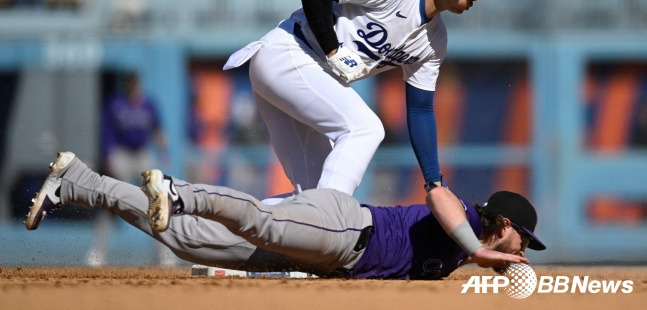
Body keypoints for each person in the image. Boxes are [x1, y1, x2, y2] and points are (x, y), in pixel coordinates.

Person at [223, 0, 496, 204]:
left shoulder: (435, 41)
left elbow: (420, 109)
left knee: (308, 196)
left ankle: (211, 221)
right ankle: (329, 219)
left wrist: (433, 181)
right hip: (288, 52)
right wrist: (332, 49)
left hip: (306, 76)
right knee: (365, 128)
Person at [25, 152, 545, 279]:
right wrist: (479, 247)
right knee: (259, 219)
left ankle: (80, 181)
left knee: (186, 242)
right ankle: (180, 191)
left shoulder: (464, 257)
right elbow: (440, 197)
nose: (523, 252)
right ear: (504, 226)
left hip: (329, 258)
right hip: (346, 229)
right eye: (523, 241)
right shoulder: (470, 224)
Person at [88, 72, 170, 266]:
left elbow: (157, 129)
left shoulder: (148, 104)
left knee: (157, 201)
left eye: (135, 84)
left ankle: (164, 254)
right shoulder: (116, 104)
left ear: (139, 85)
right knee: (110, 200)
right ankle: (96, 253)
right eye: (130, 84)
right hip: (121, 154)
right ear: (126, 85)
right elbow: (106, 132)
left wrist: (164, 150)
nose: (133, 88)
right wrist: (108, 156)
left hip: (142, 154)